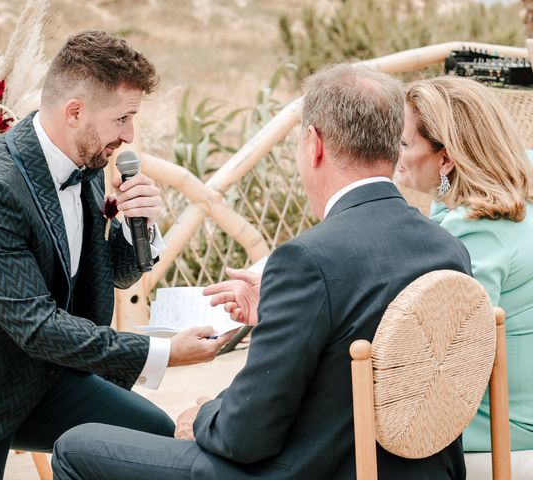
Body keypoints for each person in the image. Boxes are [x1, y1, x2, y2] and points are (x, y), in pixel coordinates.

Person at [51, 64, 471, 479]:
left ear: (313, 144)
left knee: (76, 447)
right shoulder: (447, 248)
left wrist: (203, 415)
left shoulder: (308, 260)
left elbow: (247, 437)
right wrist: (279, 312)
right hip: (421, 470)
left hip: (311, 469)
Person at [0, 31, 234, 480]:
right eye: (122, 119)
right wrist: (165, 352)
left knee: (152, 436)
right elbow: (37, 327)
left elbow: (105, 273)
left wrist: (139, 226)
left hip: (39, 378)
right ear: (75, 111)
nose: (129, 135)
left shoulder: (85, 161)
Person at [396, 75, 533, 452]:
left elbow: (454, 357)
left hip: (508, 425)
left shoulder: (478, 231)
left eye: (404, 143)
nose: (395, 153)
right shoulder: (516, 188)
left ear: (447, 158)